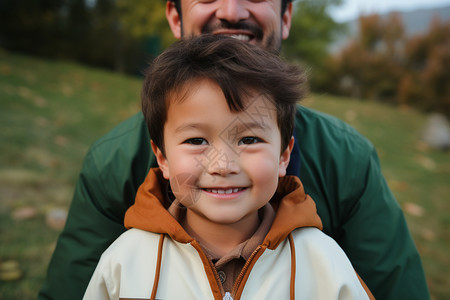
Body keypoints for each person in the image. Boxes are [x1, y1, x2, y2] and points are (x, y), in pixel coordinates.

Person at [39, 1, 429, 299]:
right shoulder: (114, 178)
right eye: (195, 140)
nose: (230, 11)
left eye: (249, 139)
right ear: (174, 16)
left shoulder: (346, 168)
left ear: (287, 15)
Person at [83, 35, 373, 300]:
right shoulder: (125, 262)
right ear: (162, 159)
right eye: (196, 140)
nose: (223, 165)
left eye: (249, 139)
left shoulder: (324, 263)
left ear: (284, 156)